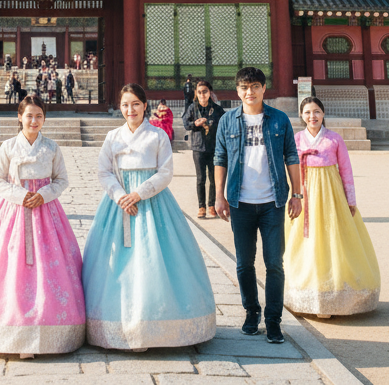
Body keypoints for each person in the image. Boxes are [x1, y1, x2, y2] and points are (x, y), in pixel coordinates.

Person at [82, 83, 216, 350]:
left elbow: (165, 172)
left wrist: (139, 194)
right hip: (118, 205)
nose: (130, 110)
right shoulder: (112, 137)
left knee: (155, 260)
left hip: (152, 205)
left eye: (135, 104)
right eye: (124, 105)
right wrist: (121, 196)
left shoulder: (157, 136)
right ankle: (114, 324)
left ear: (145, 105)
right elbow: (104, 171)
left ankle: (156, 326)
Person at [0, 95, 86, 356]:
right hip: (14, 212)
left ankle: (49, 329)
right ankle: (12, 329)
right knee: (9, 266)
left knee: (51, 266)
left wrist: (44, 194)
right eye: (29, 115)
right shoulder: (8, 147)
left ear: (44, 118)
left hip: (46, 212)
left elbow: (61, 180)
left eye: (39, 116)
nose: (34, 120)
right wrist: (20, 196)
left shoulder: (51, 147)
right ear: (19, 117)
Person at [213, 67, 302, 345]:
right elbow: (220, 157)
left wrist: (297, 194)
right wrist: (219, 195)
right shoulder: (228, 121)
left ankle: (274, 320)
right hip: (240, 202)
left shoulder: (279, 120)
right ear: (237, 91)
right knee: (244, 263)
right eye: (243, 87)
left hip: (272, 201)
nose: (248, 92)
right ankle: (252, 312)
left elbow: (291, 156)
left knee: (274, 263)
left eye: (254, 86)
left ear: (264, 88)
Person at [283, 97, 380, 316]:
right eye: (307, 112)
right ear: (301, 116)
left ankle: (335, 295)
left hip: (330, 195)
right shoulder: (296, 139)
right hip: (305, 193)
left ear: (323, 114)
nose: (312, 117)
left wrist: (350, 200)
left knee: (333, 239)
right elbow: (288, 168)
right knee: (306, 241)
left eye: (316, 112)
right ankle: (305, 294)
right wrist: (291, 195)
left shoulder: (334, 139)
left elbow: (345, 170)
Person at [183, 80, 224, 218]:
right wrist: (195, 123)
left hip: (214, 148)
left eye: (205, 91)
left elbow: (225, 125)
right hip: (198, 147)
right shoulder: (192, 108)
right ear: (196, 93)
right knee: (201, 178)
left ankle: (212, 205)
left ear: (210, 92)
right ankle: (201, 207)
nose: (202, 95)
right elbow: (185, 123)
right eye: (199, 92)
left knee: (213, 178)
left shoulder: (217, 109)